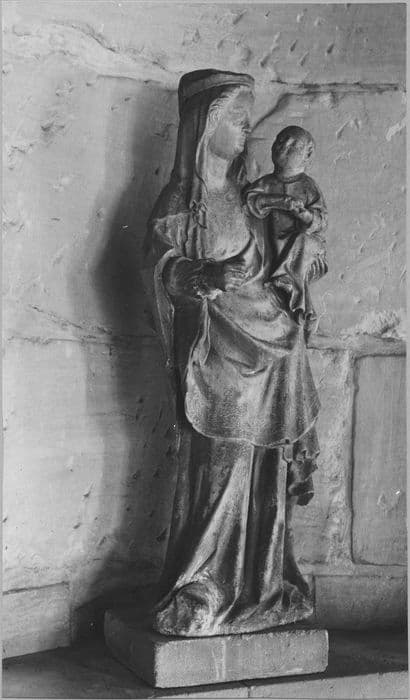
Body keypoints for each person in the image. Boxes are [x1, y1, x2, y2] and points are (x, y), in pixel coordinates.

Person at [143, 71, 326, 637]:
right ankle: (201, 585)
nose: (248, 128)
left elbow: (286, 260)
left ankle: (258, 584)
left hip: (271, 347)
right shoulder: (183, 202)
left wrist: (304, 247)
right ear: (205, 126)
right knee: (220, 466)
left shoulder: (250, 199)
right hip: (218, 351)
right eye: (237, 118)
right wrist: (204, 275)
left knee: (264, 469)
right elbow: (159, 268)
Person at [243, 125, 328, 329]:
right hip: (273, 248)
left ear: (307, 154)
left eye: (292, 145)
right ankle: (301, 311)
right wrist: (280, 201)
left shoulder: (308, 186)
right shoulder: (265, 183)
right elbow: (251, 201)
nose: (283, 147)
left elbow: (321, 221)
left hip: (306, 248)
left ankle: (289, 285)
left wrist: (304, 214)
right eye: (280, 141)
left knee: (301, 241)